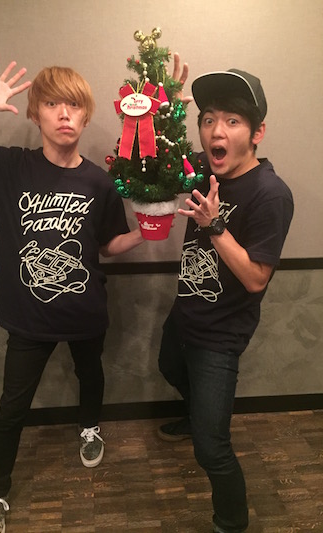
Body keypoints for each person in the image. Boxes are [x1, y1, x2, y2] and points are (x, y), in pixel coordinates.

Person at [0, 58, 144, 533]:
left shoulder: (99, 181)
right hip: (28, 318)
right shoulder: (9, 167)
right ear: (34, 113)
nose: (64, 114)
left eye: (74, 106)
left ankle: (89, 427)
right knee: (12, 410)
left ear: (86, 116)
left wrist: (146, 231)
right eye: (52, 104)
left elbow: (107, 246)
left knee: (91, 374)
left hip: (85, 309)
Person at [157, 66, 294, 532]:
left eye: (233, 121)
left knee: (211, 449)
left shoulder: (271, 194)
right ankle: (198, 415)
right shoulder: (203, 168)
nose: (217, 131)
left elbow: (256, 279)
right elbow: (157, 160)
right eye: (208, 119)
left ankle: (231, 522)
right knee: (168, 367)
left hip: (220, 336)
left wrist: (215, 226)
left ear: (257, 133)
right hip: (185, 313)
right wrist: (167, 109)